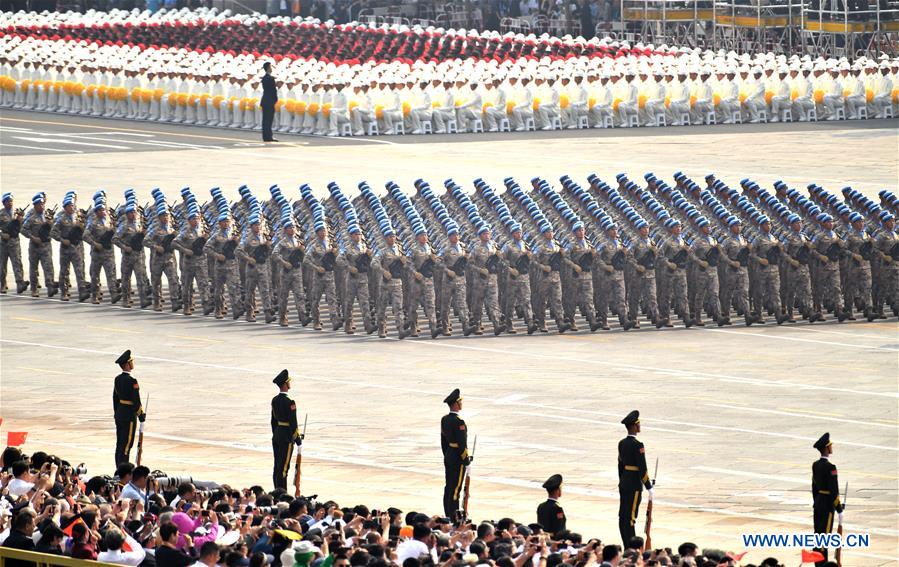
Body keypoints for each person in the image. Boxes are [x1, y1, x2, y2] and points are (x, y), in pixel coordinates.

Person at [617, 410, 652, 547]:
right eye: (638, 424)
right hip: (634, 484)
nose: (639, 426)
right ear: (634, 426)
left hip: (624, 482)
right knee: (631, 517)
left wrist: (622, 480)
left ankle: (626, 543)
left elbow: (620, 465)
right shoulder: (638, 445)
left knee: (623, 516)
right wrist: (648, 485)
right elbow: (642, 468)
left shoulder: (621, 443)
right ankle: (631, 547)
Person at [812, 433, 843, 566]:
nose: (831, 447)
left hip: (818, 503)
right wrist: (839, 508)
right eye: (830, 446)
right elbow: (833, 490)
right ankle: (822, 564)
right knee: (824, 536)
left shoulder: (815, 465)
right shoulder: (831, 467)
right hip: (827, 505)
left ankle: (817, 562)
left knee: (818, 534)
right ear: (826, 448)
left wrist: (817, 501)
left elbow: (814, 487)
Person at [440, 388, 470, 519]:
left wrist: (447, 454)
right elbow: (462, 443)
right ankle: (454, 516)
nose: (461, 404)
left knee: (449, 487)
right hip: (458, 457)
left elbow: (443, 440)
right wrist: (466, 459)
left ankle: (448, 513)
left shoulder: (445, 419)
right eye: (460, 402)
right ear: (456, 404)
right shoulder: (459, 421)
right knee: (456, 489)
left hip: (449, 455)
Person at [271, 369, 303, 491]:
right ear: (285, 384)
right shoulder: (289, 402)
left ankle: (276, 490)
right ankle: (282, 493)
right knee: (284, 468)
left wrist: (276, 434)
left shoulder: (274, 400)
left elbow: (273, 421)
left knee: (277, 466)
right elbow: (293, 422)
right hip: (286, 437)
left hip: (277, 435)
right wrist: (297, 438)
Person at [113, 350, 145, 467]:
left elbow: (115, 398)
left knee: (120, 444)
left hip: (120, 414)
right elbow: (136, 400)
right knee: (127, 444)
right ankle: (124, 468)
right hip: (129, 415)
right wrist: (141, 414)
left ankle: (119, 467)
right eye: (130, 362)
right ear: (126, 364)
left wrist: (117, 413)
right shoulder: (132, 381)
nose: (132, 363)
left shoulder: (117, 379)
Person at [260, 62, 278, 142]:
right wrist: (275, 99)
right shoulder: (270, 79)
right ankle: (269, 137)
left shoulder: (264, 78)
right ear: (268, 68)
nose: (271, 68)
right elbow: (273, 91)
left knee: (265, 120)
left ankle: (266, 136)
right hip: (270, 101)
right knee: (269, 120)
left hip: (265, 100)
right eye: (270, 67)